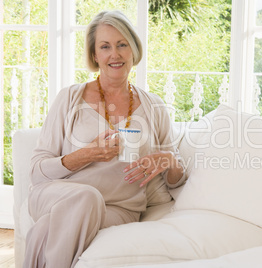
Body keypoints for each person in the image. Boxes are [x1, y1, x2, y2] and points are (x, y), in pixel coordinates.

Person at [23, 10, 185, 268]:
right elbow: (36, 171)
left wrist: (168, 160)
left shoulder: (153, 106)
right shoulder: (69, 98)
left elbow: (176, 180)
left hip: (119, 208)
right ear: (95, 55)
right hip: (56, 194)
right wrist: (87, 154)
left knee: (49, 227)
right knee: (86, 197)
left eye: (122, 45)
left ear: (133, 50)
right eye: (105, 46)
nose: (115, 54)